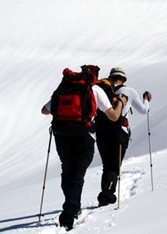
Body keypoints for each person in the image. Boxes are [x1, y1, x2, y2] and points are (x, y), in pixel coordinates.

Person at [41, 65, 128, 230]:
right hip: (83, 135)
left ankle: (72, 206)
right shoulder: (95, 90)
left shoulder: (66, 88)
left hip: (61, 135)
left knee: (68, 172)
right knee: (77, 174)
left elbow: (44, 111)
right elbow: (114, 116)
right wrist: (121, 103)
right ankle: (70, 212)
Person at [95, 66, 152, 207]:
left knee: (107, 165)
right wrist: (146, 99)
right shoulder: (129, 92)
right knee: (114, 166)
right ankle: (107, 195)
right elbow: (144, 110)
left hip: (101, 131)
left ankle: (105, 194)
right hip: (120, 131)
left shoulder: (101, 91)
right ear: (123, 78)